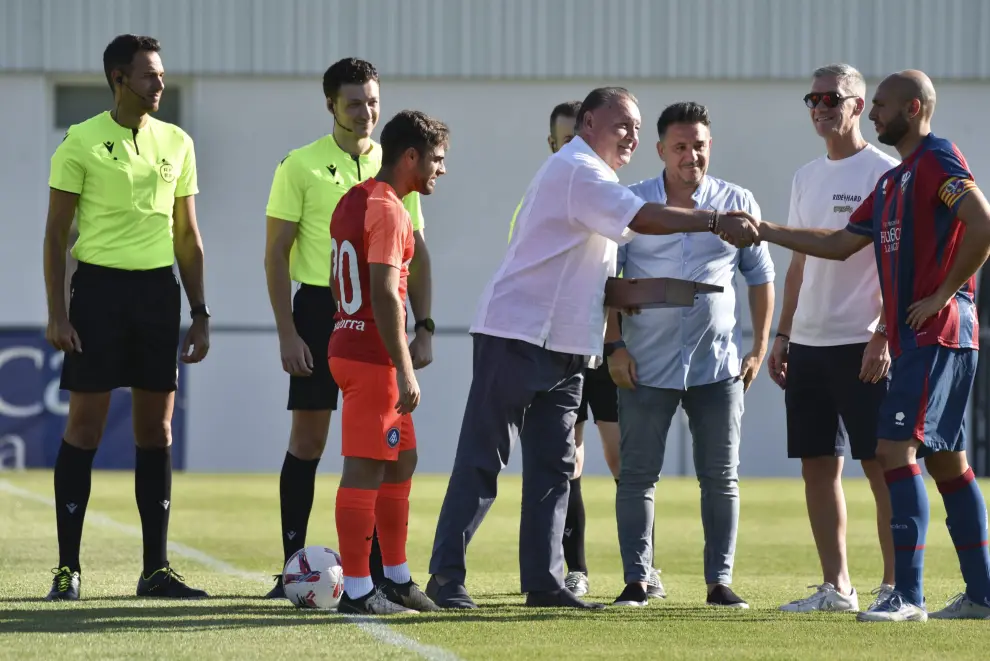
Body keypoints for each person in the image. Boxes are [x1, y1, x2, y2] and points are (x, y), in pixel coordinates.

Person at [426, 86, 759, 610]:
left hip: (567, 347)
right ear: (587, 124)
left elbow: (603, 277)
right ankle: (445, 577)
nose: (629, 133)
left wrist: (666, 295)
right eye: (620, 123)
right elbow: (644, 218)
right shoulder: (578, 168)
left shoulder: (596, 177)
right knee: (483, 460)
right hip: (516, 334)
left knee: (554, 470)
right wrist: (714, 220)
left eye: (634, 125)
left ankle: (545, 583)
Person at [751, 70, 990, 622]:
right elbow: (835, 244)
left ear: (913, 106)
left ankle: (906, 595)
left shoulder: (936, 158)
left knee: (891, 452)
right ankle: (980, 594)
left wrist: (942, 295)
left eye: (880, 105)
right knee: (948, 462)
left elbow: (980, 224)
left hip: (939, 333)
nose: (875, 113)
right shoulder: (892, 183)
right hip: (918, 339)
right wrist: (763, 230)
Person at [42, 34, 210, 600]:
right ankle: (68, 568)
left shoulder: (179, 142)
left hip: (158, 297)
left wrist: (200, 312)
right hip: (97, 296)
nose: (159, 84)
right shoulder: (80, 142)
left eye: (160, 74)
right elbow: (55, 234)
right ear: (119, 78)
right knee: (85, 427)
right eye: (149, 76)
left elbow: (187, 236)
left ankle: (155, 571)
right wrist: (57, 313)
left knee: (155, 429)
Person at [263, 58, 434, 598]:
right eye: (354, 102)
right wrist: (287, 331)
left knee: (391, 448)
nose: (366, 112)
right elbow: (276, 254)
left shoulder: (397, 164)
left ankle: (382, 573)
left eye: (373, 101)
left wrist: (424, 325)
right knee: (310, 441)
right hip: (320, 310)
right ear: (331, 105)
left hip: (377, 319)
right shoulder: (300, 165)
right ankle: (293, 564)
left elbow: (418, 255)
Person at [606, 102, 774, 609]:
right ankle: (637, 580)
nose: (691, 155)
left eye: (699, 145)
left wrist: (759, 348)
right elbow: (607, 280)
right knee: (637, 475)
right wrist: (613, 345)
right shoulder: (631, 203)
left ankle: (719, 583)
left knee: (721, 477)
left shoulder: (738, 201)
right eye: (680, 147)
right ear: (660, 151)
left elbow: (760, 276)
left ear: (709, 147)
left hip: (716, 365)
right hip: (644, 363)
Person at [507, 100, 664, 599]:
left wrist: (617, 340)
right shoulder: (550, 188)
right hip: (563, 347)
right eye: (559, 138)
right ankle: (574, 570)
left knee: (623, 460)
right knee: (566, 459)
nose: (565, 144)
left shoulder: (616, 193)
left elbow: (618, 275)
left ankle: (644, 569)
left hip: (607, 347)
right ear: (554, 142)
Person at [771, 64, 899, 614]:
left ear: (857, 104)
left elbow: (899, 263)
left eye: (831, 97)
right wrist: (782, 333)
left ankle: (897, 586)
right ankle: (836, 587)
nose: (820, 106)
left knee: (881, 465)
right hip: (809, 344)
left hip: (861, 344)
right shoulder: (805, 176)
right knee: (817, 464)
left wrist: (884, 335)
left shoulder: (886, 172)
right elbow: (798, 261)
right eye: (812, 98)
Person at [328, 110, 449, 615]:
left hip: (356, 347)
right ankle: (357, 590)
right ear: (411, 156)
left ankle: (396, 579)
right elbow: (382, 292)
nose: (442, 170)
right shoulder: (389, 208)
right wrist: (404, 365)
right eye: (437, 160)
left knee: (402, 459)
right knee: (364, 469)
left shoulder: (358, 199)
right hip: (372, 356)